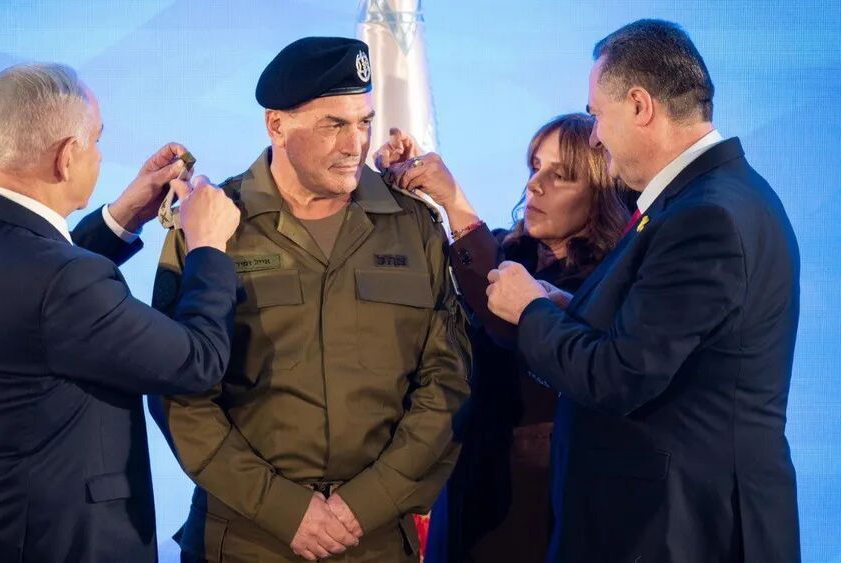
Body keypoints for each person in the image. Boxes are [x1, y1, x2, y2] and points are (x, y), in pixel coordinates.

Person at [485, 20, 801, 562]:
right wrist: (565, 307)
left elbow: (620, 376)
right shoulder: (710, 197)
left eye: (596, 115)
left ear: (639, 105)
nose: (595, 136)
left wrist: (531, 309)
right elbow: (662, 337)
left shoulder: (704, 217)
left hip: (679, 532)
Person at [149, 37, 471, 563]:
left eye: (364, 122)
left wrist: (367, 504)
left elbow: (447, 380)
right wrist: (282, 508)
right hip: (248, 538)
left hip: (375, 537)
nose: (355, 144)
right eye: (333, 125)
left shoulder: (412, 224)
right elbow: (175, 391)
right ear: (276, 125)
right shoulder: (211, 224)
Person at [0, 63, 241, 563]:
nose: (100, 155)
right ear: (66, 157)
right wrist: (208, 247)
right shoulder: (61, 283)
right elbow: (197, 361)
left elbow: (34, 292)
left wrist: (122, 216)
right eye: (97, 141)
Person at [376, 114, 629, 563]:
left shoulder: (608, 284)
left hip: (539, 505)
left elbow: (507, 316)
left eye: (561, 175)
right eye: (535, 167)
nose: (535, 185)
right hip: (469, 486)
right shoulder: (504, 249)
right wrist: (403, 183)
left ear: (601, 193)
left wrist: (453, 200)